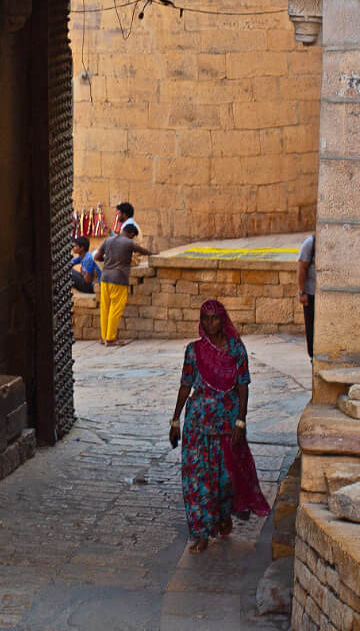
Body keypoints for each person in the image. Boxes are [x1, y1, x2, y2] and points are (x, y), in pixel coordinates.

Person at [168, 299, 267, 552]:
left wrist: (240, 421)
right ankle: (200, 532)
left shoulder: (236, 350)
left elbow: (243, 386)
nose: (210, 323)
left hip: (226, 422)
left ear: (223, 320)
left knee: (225, 479)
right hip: (197, 424)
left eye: (214, 318)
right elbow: (185, 385)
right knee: (197, 479)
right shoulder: (193, 351)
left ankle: (224, 516)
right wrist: (175, 419)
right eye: (205, 319)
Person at [95, 218, 152, 345]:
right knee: (115, 308)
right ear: (131, 234)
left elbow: (97, 257)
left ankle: (104, 337)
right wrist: (153, 253)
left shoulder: (108, 240)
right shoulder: (129, 243)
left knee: (105, 308)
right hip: (119, 278)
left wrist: (109, 260)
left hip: (105, 278)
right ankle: (110, 339)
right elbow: (143, 251)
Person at [296, 232, 316, 359]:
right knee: (311, 328)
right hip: (311, 294)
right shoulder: (310, 243)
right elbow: (301, 268)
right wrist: (302, 292)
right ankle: (312, 357)